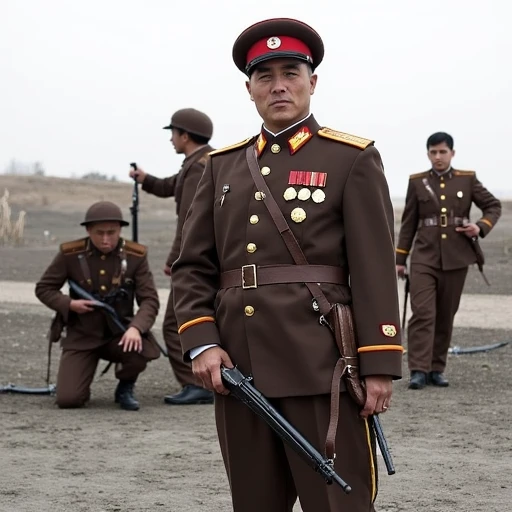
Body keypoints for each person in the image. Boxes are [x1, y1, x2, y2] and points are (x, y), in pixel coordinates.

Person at [171, 18, 402, 512]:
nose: (279, 85)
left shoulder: (351, 159)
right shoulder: (222, 166)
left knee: (338, 504)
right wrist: (202, 342)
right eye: (265, 75)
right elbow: (192, 265)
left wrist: (379, 364)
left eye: (291, 73)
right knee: (254, 503)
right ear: (249, 89)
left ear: (312, 82)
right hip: (238, 367)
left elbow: (374, 269)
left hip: (321, 364)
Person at [396, 132, 501, 390]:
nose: (438, 157)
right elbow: (408, 223)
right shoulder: (418, 182)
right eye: (433, 152)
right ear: (428, 154)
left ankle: (436, 369)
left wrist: (480, 227)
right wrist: (401, 259)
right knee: (423, 313)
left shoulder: (467, 179)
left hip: (456, 257)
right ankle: (418, 370)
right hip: (424, 256)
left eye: (443, 152)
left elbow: (493, 206)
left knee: (445, 315)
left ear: (452, 153)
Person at [35, 201, 160, 411]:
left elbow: (150, 300)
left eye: (111, 233)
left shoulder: (135, 256)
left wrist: (135, 328)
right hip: (82, 334)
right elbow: (44, 288)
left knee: (140, 347)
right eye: (99, 233)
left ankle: (125, 386)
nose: (105, 239)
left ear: (120, 230)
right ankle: (78, 383)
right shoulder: (70, 254)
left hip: (118, 333)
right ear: (88, 230)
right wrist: (70, 304)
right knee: (68, 400)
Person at [129, 108, 214, 405]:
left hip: (195, 258)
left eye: (173, 134)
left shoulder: (198, 167)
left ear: (185, 136)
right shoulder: (201, 162)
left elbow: (191, 220)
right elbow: (170, 186)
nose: (171, 140)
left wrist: (175, 258)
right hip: (205, 257)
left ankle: (197, 384)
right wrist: (145, 179)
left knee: (175, 324)